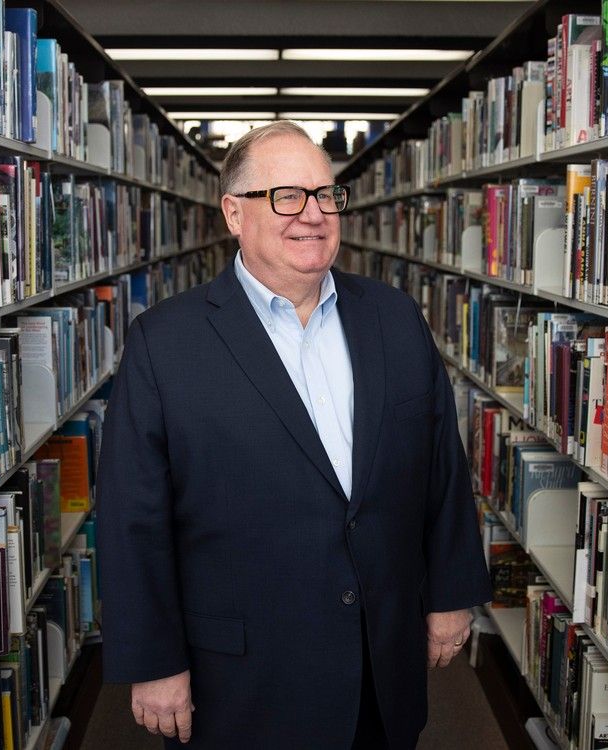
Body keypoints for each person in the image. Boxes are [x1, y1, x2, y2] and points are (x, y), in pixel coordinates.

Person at [96, 121, 491, 749]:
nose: (313, 214)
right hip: (244, 681)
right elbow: (131, 519)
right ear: (233, 213)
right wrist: (152, 661)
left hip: (379, 666)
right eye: (286, 196)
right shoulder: (164, 344)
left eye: (325, 194)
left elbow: (441, 467)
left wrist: (450, 594)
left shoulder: (394, 317)